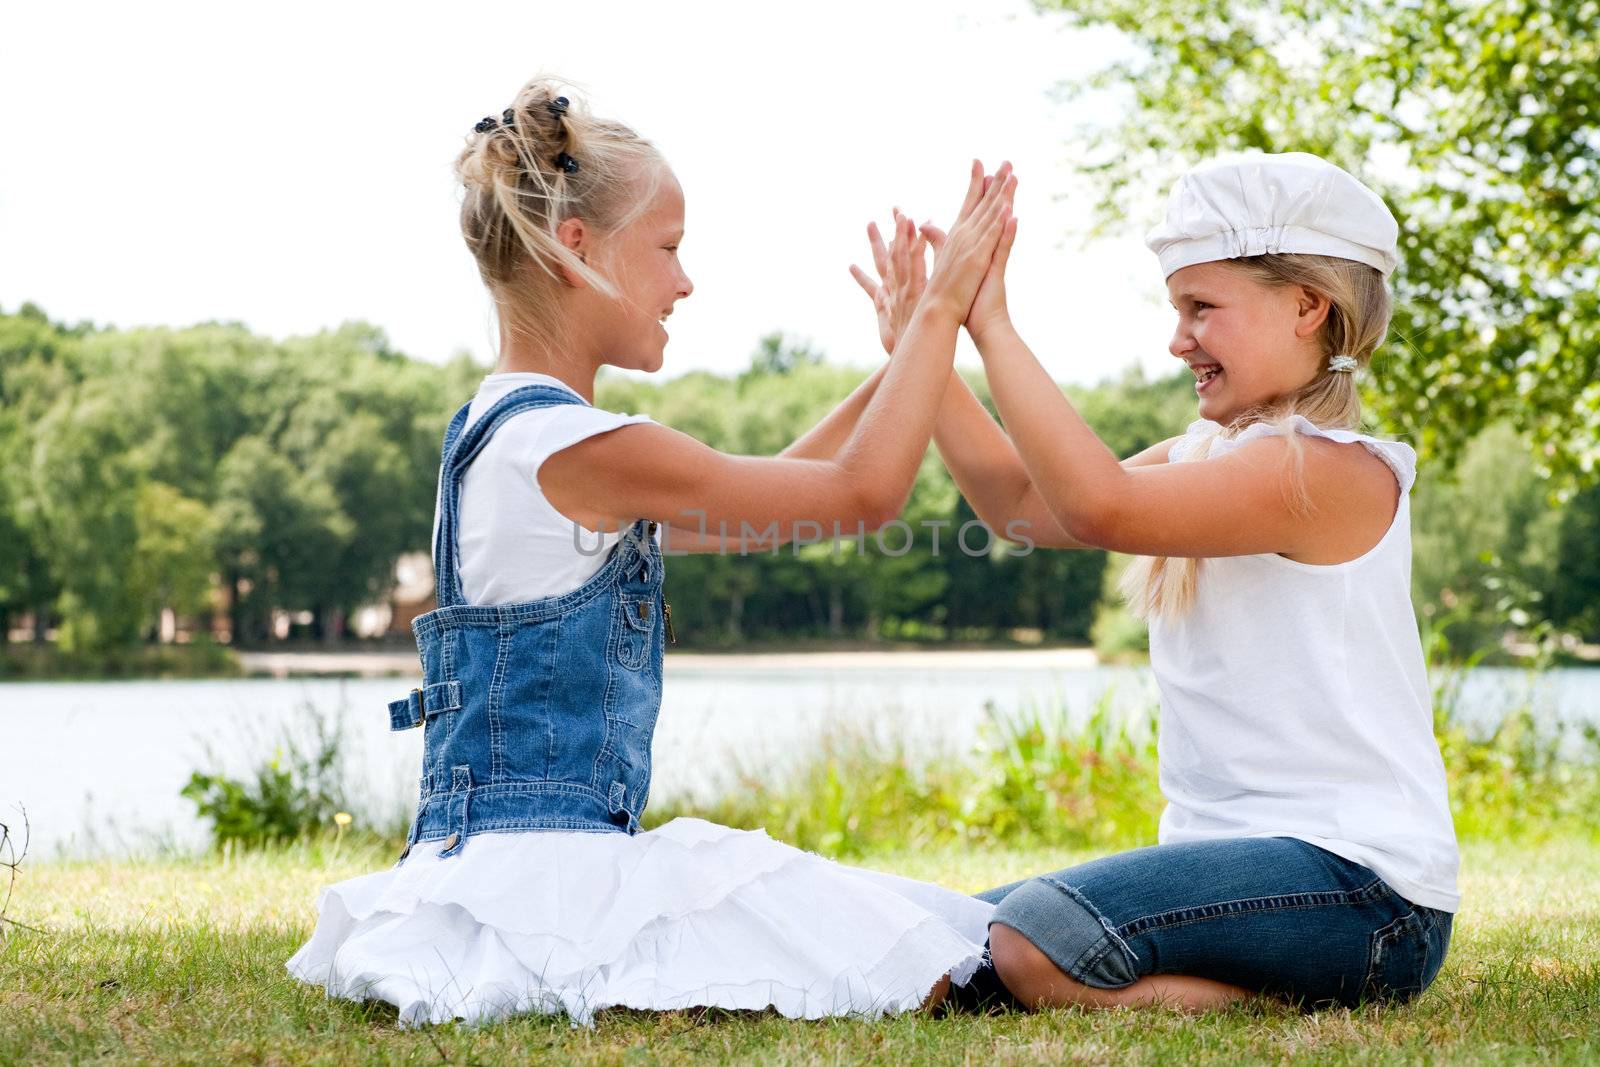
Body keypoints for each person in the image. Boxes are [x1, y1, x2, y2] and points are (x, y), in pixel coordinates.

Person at [284, 76, 1016, 1028]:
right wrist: (942, 311)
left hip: (491, 860)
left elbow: (781, 498)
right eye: (668, 248)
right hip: (551, 878)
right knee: (933, 952)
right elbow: (865, 494)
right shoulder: (579, 447)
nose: (685, 280)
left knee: (915, 927)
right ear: (575, 248)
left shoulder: (504, 432)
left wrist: (902, 361)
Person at [854, 152, 1457, 1011]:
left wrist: (989, 324)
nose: (1179, 339)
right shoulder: (1208, 456)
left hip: (1366, 893)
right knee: (935, 947)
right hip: (1248, 879)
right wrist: (927, 343)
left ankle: (1268, 1003)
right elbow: (1022, 506)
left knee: (1032, 938)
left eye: (1202, 308)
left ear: (1306, 307)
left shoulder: (1328, 472)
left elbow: (1102, 505)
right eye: (1178, 309)